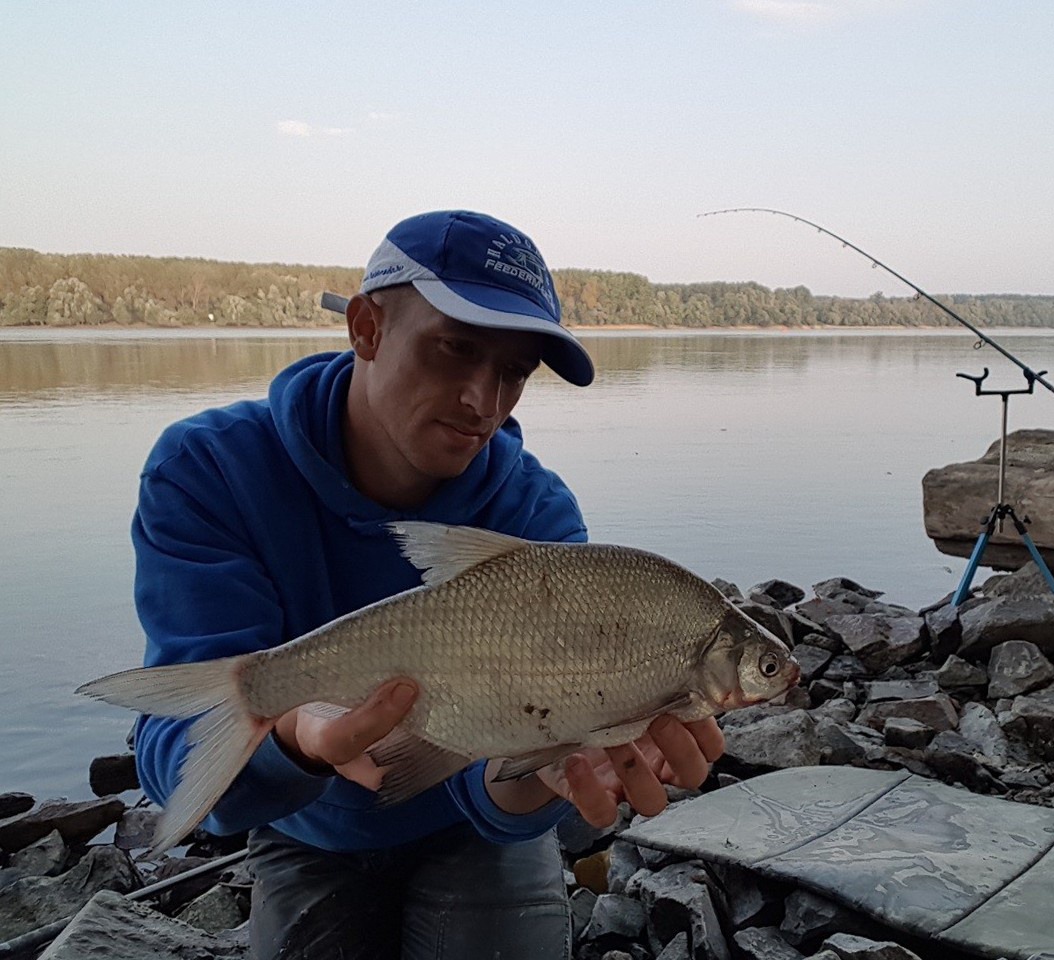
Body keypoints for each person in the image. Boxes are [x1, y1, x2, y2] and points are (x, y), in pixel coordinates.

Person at [130, 209, 725, 959]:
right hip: (307, 827)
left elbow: (502, 788)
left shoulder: (535, 515)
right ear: (367, 328)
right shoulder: (209, 470)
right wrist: (299, 740)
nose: (484, 399)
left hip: (470, 829)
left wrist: (554, 772)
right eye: (456, 349)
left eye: (513, 371)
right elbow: (174, 758)